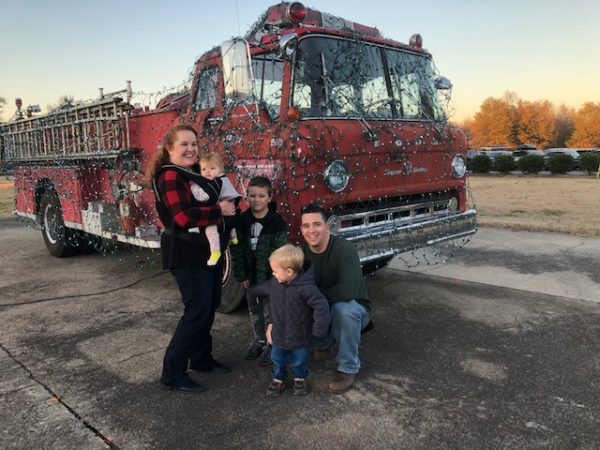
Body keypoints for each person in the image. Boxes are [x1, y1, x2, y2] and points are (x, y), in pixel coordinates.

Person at [147, 124, 236, 393]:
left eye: (194, 144)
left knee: (209, 306)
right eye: (184, 144)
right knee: (196, 312)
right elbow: (183, 217)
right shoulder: (170, 177)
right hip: (185, 251)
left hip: (204, 251)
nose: (191, 149)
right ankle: (172, 373)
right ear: (170, 148)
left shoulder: (192, 174)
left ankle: (201, 359)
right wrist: (218, 211)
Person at [300, 203, 372, 394]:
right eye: (306, 226)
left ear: (327, 227)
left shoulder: (344, 248)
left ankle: (348, 367)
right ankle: (325, 342)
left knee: (343, 310)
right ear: (301, 229)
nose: (311, 230)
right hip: (324, 307)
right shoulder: (303, 252)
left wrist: (313, 299)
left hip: (354, 308)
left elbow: (347, 291)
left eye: (316, 224)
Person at [248, 244, 330, 397]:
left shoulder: (306, 288)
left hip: (300, 336)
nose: (273, 274)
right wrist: (250, 290)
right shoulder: (275, 284)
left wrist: (319, 329)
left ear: (289, 272)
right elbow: (263, 288)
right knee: (277, 358)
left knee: (300, 359)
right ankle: (278, 378)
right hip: (279, 334)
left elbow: (322, 306)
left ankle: (299, 378)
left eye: (275, 271)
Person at [230, 176, 287, 366]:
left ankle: (273, 346)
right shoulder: (242, 221)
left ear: (269, 197)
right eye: (252, 195)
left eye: (261, 196)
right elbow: (237, 249)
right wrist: (242, 274)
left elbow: (280, 252)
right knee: (255, 312)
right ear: (247, 196)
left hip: (270, 279)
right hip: (251, 279)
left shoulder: (276, 222)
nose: (256, 200)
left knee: (271, 313)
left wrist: (277, 276)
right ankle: (260, 341)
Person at [188, 152, 242, 266]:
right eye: (204, 169)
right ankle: (234, 237)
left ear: (221, 170)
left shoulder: (216, 182)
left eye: (212, 168)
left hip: (221, 211)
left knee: (210, 228)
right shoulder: (223, 180)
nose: (207, 171)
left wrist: (192, 186)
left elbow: (203, 197)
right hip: (229, 210)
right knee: (230, 220)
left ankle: (215, 251)